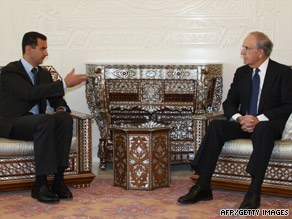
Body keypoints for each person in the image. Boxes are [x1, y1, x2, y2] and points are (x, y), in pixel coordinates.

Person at [177, 31, 292, 209]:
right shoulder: (241, 73)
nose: (242, 52)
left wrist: (258, 119)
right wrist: (240, 119)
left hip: (268, 126)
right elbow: (229, 102)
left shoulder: (283, 72)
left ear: (260, 52)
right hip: (244, 123)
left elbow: (287, 105)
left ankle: (254, 191)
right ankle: (203, 186)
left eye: (246, 48)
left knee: (262, 129)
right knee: (216, 126)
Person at [0, 31, 88, 203]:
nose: (46, 53)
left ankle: (58, 180)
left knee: (63, 119)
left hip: (39, 123)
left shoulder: (44, 74)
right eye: (42, 49)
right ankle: (40, 184)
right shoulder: (11, 71)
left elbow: (56, 98)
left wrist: (61, 108)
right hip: (12, 122)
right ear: (28, 49)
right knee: (45, 120)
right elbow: (29, 93)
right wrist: (63, 84)